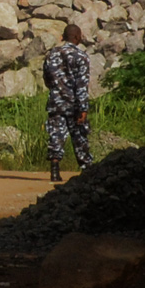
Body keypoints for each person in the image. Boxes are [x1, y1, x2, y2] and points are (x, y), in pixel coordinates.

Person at [42, 23, 95, 184]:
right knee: (80, 136)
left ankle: (55, 170)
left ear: (63, 37)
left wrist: (57, 91)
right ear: (77, 37)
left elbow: (47, 79)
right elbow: (81, 85)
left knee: (56, 135)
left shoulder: (52, 54)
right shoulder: (81, 56)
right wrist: (83, 108)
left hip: (56, 102)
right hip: (74, 104)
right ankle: (87, 169)